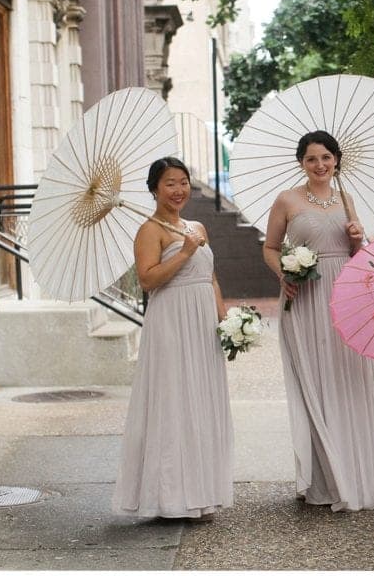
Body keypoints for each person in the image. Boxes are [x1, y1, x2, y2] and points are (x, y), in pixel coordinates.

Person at [263, 130, 374, 511]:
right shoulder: (287, 199)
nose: (320, 165)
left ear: (337, 160)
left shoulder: (348, 199)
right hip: (304, 297)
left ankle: (357, 469)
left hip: (344, 296)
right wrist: (284, 274)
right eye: (311, 159)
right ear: (301, 163)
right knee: (316, 381)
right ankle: (324, 476)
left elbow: (359, 258)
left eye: (326, 158)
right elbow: (270, 248)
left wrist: (357, 239)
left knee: (348, 378)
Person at [113, 157, 233, 520]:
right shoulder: (150, 231)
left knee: (202, 401)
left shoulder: (196, 226)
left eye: (183, 181)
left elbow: (209, 276)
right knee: (175, 400)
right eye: (169, 183)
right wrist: (183, 252)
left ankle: (203, 491)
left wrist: (223, 316)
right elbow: (148, 281)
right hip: (171, 322)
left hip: (201, 324)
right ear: (154, 189)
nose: (179, 189)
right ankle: (172, 497)